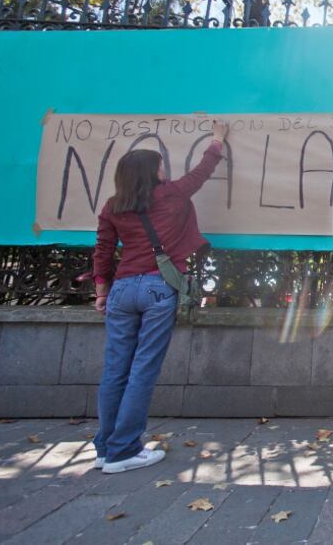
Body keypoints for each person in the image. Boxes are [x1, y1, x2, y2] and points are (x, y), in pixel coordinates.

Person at [91, 121, 229, 474]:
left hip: (122, 290)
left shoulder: (112, 206)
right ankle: (123, 450)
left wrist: (101, 289)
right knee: (142, 370)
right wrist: (217, 140)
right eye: (161, 164)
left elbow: (104, 251)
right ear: (151, 172)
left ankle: (106, 447)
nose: (166, 169)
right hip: (157, 288)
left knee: (114, 371)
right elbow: (201, 172)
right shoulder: (171, 195)